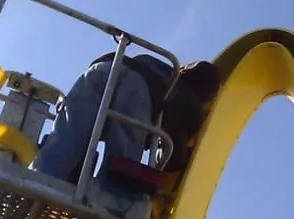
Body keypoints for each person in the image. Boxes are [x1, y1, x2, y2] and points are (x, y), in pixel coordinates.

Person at [31, 53, 221, 185]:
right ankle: (108, 208)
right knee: (122, 165)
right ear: (205, 95)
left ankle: (35, 182)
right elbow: (173, 156)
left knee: (66, 137)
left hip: (102, 69)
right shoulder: (187, 100)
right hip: (136, 92)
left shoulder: (158, 65)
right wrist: (185, 157)